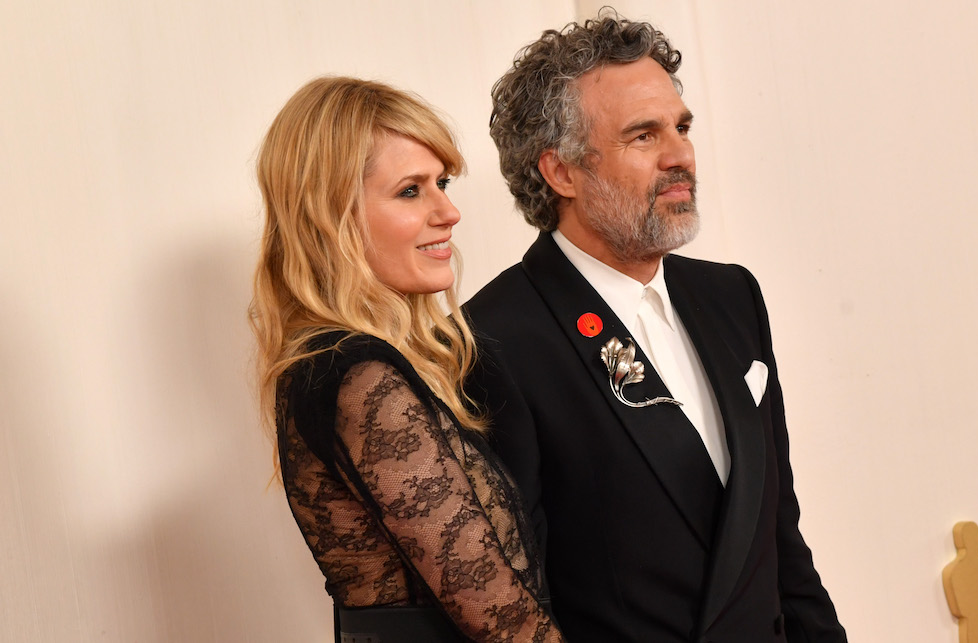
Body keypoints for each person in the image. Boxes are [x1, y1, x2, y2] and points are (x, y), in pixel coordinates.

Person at [463, 12, 848, 642]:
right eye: (643, 136)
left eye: (682, 127)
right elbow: (517, 603)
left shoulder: (731, 295)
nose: (681, 156)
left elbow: (779, 539)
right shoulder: (494, 338)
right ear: (560, 172)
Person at [250, 76, 563, 643]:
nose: (449, 211)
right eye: (411, 191)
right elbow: (502, 623)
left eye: (441, 183)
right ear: (331, 215)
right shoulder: (359, 375)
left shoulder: (346, 364)